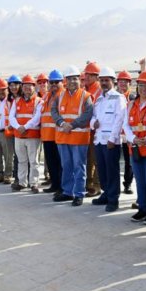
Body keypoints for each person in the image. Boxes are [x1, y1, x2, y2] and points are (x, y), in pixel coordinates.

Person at [52, 66, 94, 206]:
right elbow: (54, 112)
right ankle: (68, 192)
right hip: (63, 138)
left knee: (79, 166)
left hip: (79, 139)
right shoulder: (60, 96)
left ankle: (79, 194)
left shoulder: (86, 96)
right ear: (65, 81)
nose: (73, 81)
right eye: (70, 79)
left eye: (75, 78)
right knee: (67, 166)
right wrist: (62, 123)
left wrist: (73, 125)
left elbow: (88, 114)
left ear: (79, 80)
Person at [90, 67, 127, 212]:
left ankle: (113, 199)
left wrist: (113, 138)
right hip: (99, 140)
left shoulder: (119, 98)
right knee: (102, 169)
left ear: (113, 81)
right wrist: (93, 123)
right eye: (102, 80)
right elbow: (93, 117)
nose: (104, 83)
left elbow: (120, 119)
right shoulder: (99, 99)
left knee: (112, 170)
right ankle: (106, 193)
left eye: (107, 80)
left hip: (111, 141)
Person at [123, 70, 146, 221]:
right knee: (140, 181)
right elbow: (126, 125)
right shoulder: (131, 104)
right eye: (141, 85)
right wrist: (133, 138)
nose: (144, 89)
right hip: (135, 149)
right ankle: (142, 208)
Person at [10, 75, 43, 192]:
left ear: (34, 87)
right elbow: (11, 117)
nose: (27, 88)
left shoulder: (39, 101)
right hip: (19, 136)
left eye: (30, 85)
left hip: (32, 136)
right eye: (25, 86)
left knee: (34, 161)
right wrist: (19, 127)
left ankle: (34, 183)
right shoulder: (17, 101)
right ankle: (22, 182)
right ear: (22, 87)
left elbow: (37, 118)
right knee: (21, 160)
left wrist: (25, 126)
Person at [41, 70, 64, 195]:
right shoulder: (47, 96)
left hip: (57, 135)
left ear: (62, 82)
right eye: (52, 82)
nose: (54, 84)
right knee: (51, 163)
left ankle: (61, 186)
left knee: (60, 163)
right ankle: (54, 184)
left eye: (56, 82)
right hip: (47, 135)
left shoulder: (63, 95)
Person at [82, 62, 102, 198]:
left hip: (96, 130)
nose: (87, 77)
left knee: (96, 159)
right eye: (86, 74)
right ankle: (88, 184)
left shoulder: (99, 91)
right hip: (85, 130)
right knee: (88, 158)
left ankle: (96, 185)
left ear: (96, 76)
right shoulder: (85, 90)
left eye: (90, 75)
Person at [116, 70, 135, 195]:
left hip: (127, 135)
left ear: (129, 83)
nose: (123, 84)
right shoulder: (115, 97)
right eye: (120, 81)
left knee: (129, 162)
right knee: (115, 161)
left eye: (125, 82)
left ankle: (127, 185)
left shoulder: (133, 98)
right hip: (116, 134)